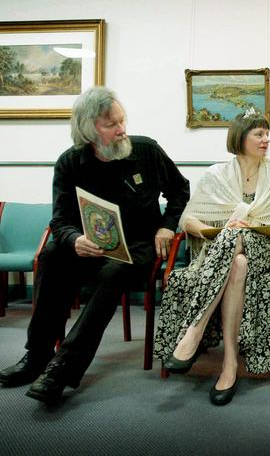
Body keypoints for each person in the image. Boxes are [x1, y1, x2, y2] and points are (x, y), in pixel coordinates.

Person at [0, 87, 190, 404]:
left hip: (138, 247)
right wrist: (75, 240)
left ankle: (61, 368)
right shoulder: (69, 163)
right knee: (50, 256)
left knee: (113, 272)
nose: (122, 129)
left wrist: (167, 227)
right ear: (89, 130)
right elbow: (59, 221)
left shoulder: (145, 151)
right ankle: (37, 357)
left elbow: (180, 191)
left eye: (122, 120)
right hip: (91, 245)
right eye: (111, 124)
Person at [153, 109, 270, 406]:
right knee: (238, 262)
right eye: (259, 134)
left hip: (264, 251)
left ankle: (193, 332)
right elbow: (189, 221)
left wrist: (254, 227)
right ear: (241, 137)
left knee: (240, 238)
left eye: (266, 133)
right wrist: (221, 230)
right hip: (223, 254)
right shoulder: (216, 174)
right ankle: (230, 365)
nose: (266, 139)